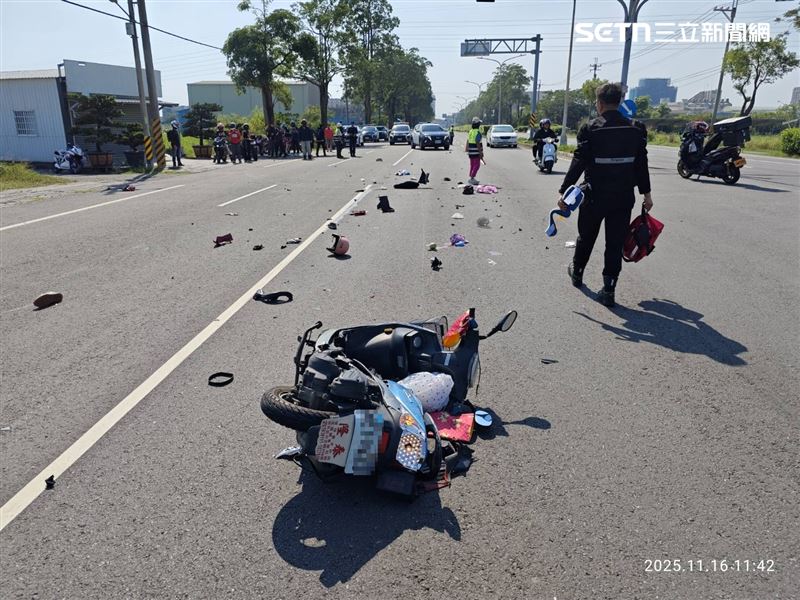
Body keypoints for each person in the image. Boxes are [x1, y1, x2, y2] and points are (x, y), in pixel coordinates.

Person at [558, 82, 653, 307]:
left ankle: (578, 274)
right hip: (622, 198)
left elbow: (579, 161)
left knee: (586, 237)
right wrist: (646, 194)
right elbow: (641, 164)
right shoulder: (636, 128)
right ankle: (609, 290)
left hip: (594, 197)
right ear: (619, 102)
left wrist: (564, 191)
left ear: (599, 103)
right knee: (614, 242)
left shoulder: (590, 129)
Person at [465, 117, 483, 184]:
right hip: (476, 151)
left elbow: (468, 140)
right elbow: (477, 142)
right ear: (478, 124)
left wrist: (466, 149)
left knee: (472, 164)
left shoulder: (471, 131)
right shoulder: (478, 132)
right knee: (477, 165)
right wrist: (480, 152)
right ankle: (472, 177)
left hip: (471, 151)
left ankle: (471, 177)